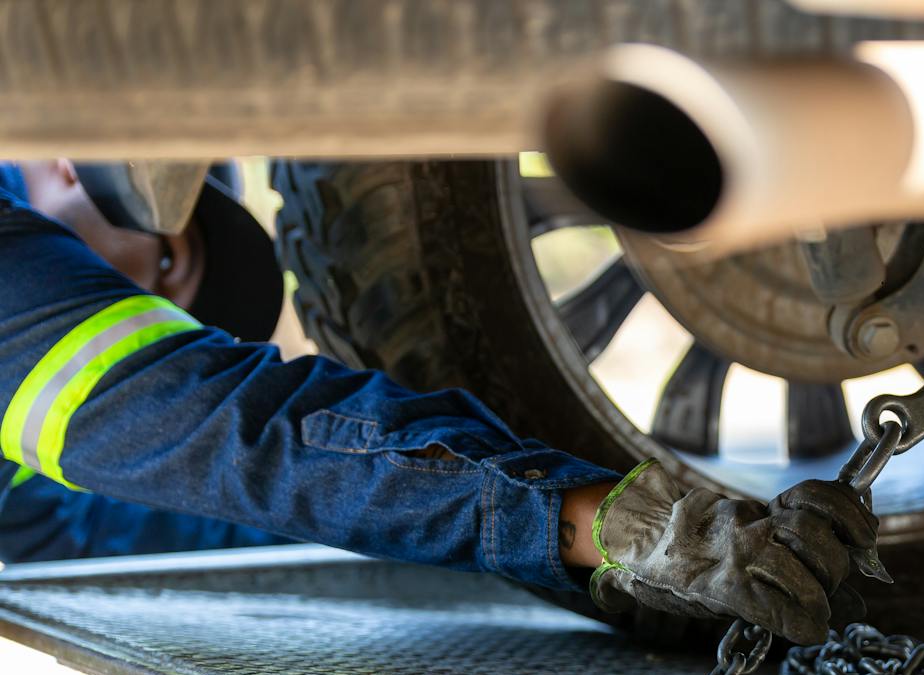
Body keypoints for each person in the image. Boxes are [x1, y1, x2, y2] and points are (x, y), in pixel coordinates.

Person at [0, 160, 874, 643]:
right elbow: (247, 436)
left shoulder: (35, 487)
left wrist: (575, 558)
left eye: (167, 260)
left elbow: (251, 481)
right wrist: (599, 525)